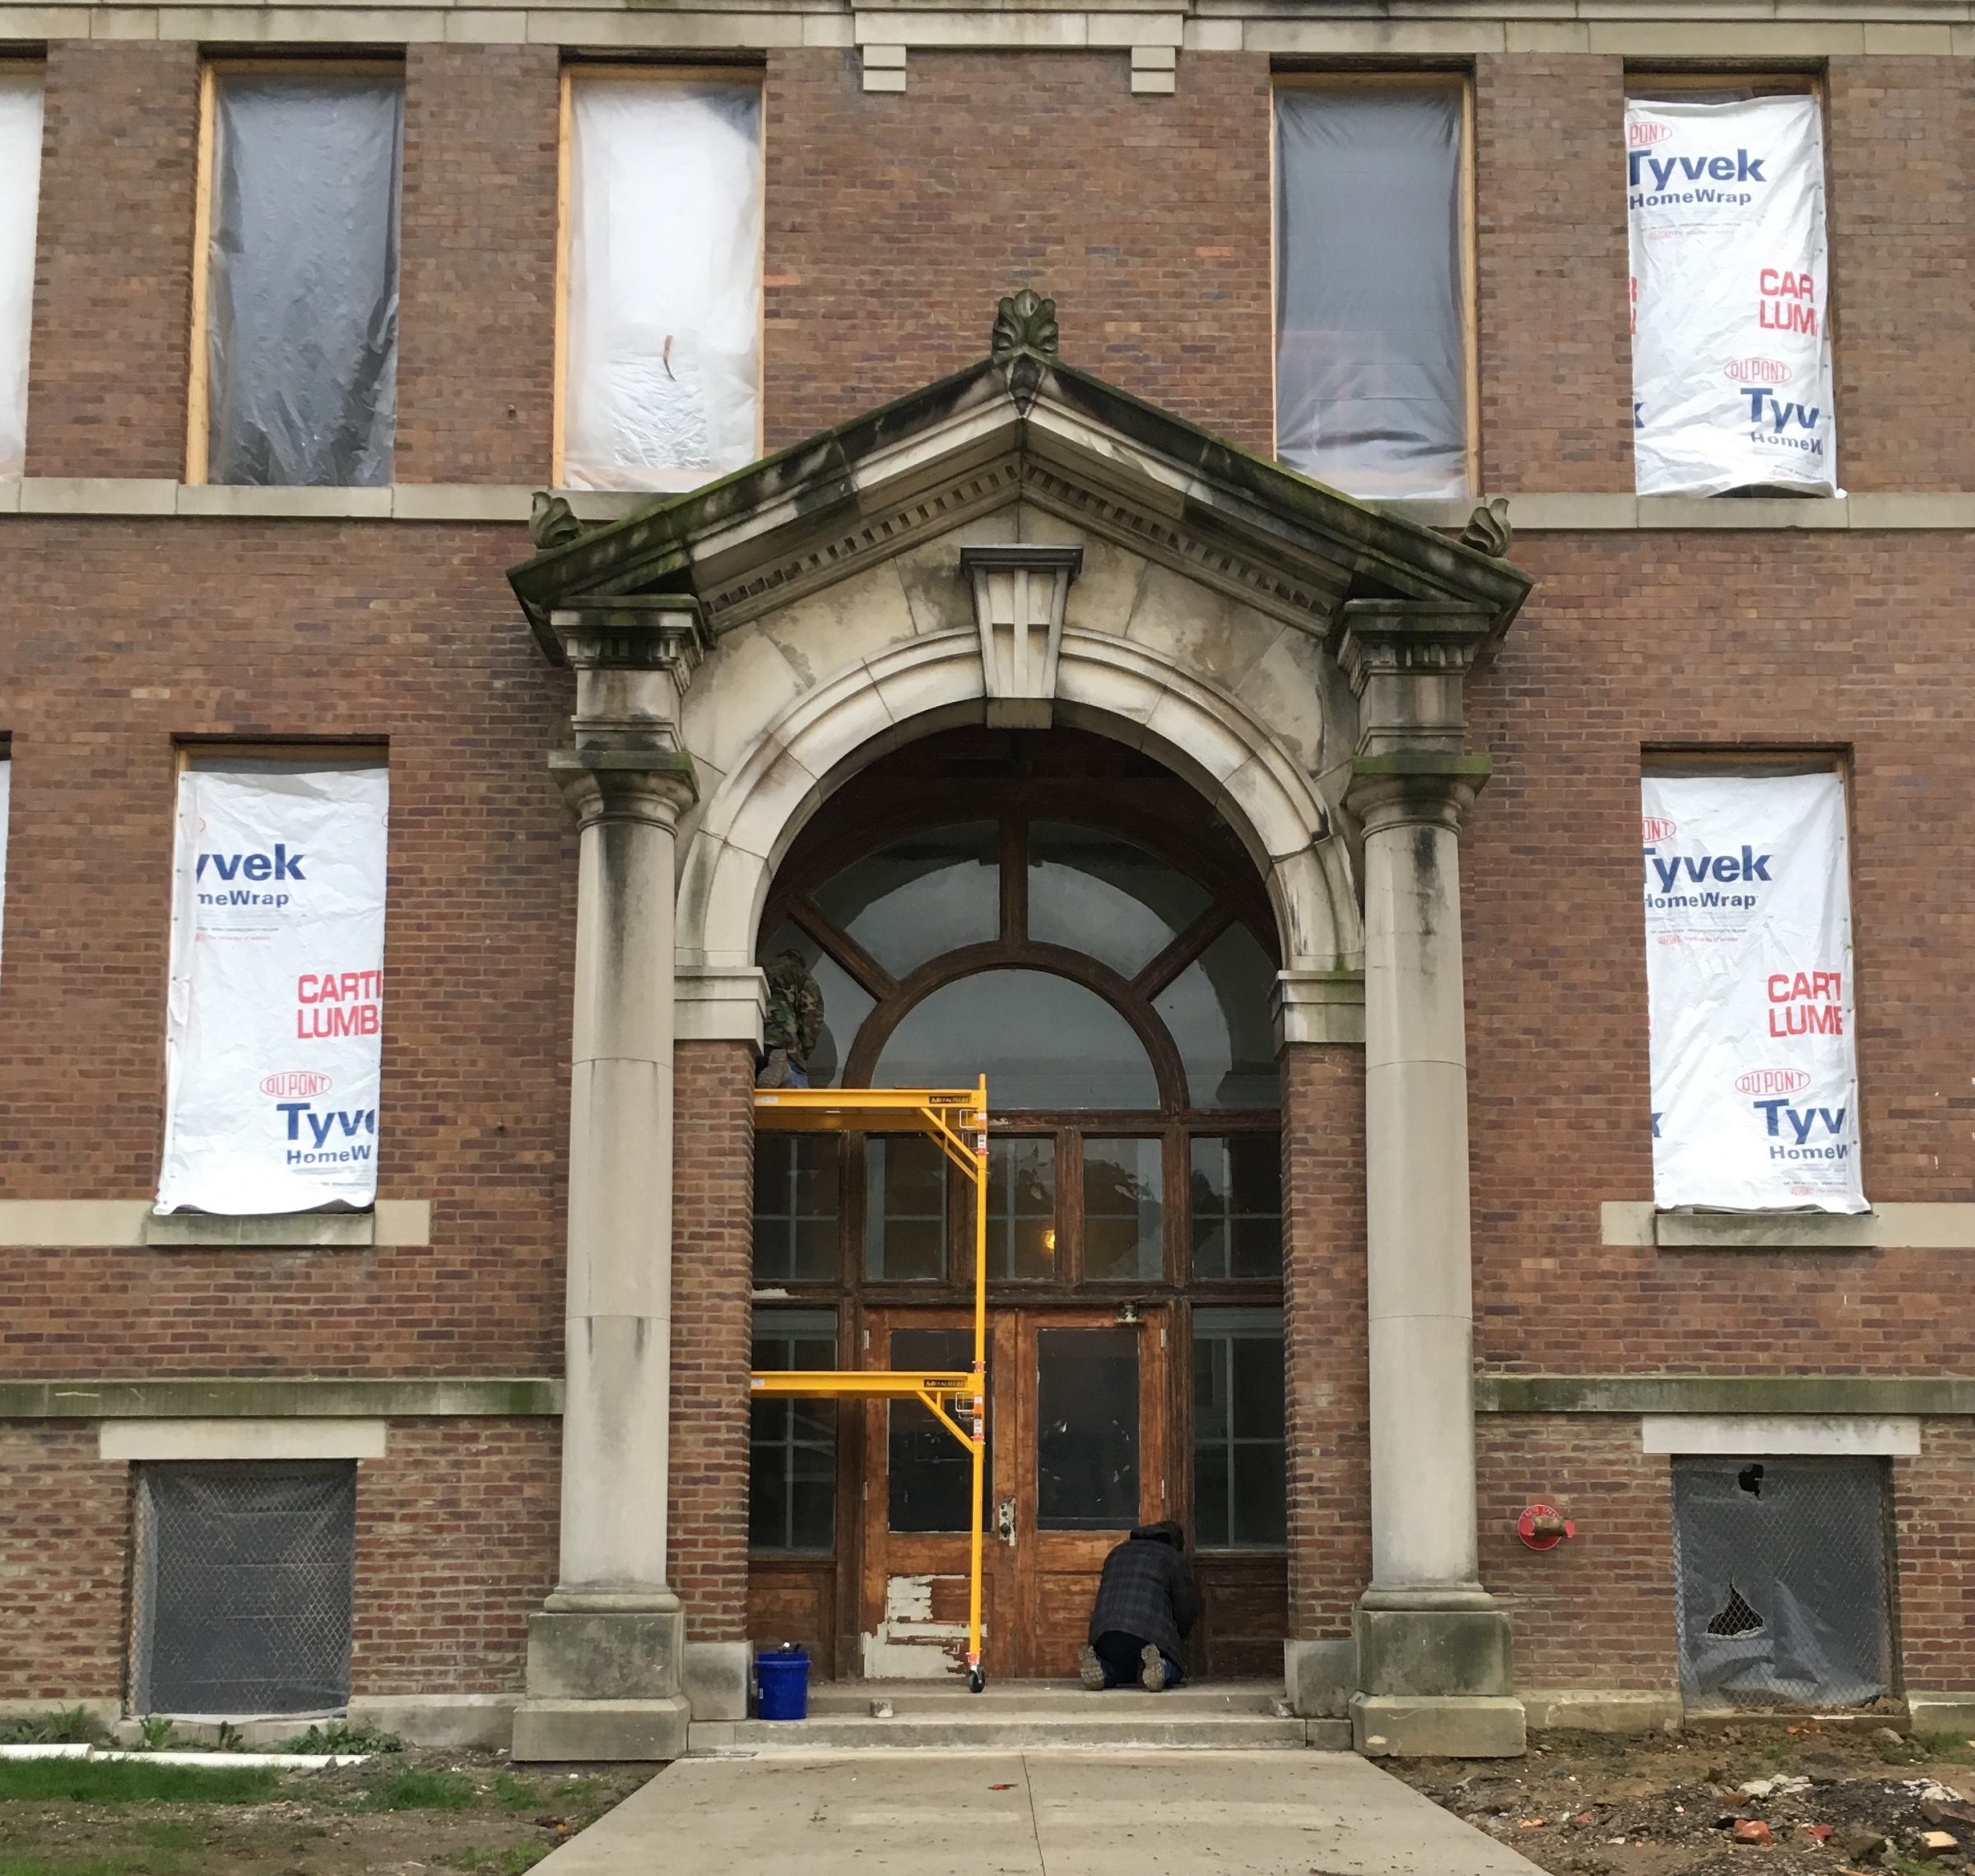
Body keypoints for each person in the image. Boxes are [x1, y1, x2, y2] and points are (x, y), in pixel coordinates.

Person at [1076, 1520, 1198, 1691]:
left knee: (1122, 1670)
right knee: (1176, 1668)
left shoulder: (1118, 1551)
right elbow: (1184, 1608)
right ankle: (1161, 1668)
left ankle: (1102, 1669)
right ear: (1176, 1543)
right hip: (1149, 1632)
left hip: (1105, 1629)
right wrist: (1178, 1638)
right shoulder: (1171, 1556)